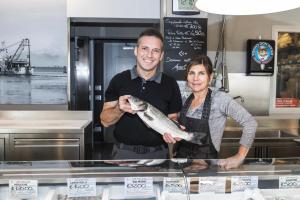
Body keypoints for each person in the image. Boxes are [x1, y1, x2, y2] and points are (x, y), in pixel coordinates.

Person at [100, 28, 182, 159]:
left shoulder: (170, 84)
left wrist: (173, 129)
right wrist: (119, 109)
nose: (149, 55)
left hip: (158, 154)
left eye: (155, 50)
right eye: (144, 48)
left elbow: (173, 117)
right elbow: (105, 121)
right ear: (136, 51)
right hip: (123, 154)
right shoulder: (119, 80)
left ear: (161, 56)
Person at [163, 55, 257, 170]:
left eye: (201, 73)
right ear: (187, 77)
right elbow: (176, 122)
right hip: (181, 161)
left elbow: (250, 123)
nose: (195, 78)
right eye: (192, 73)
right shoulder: (185, 99)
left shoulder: (219, 99)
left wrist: (239, 156)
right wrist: (172, 131)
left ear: (210, 77)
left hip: (206, 166)